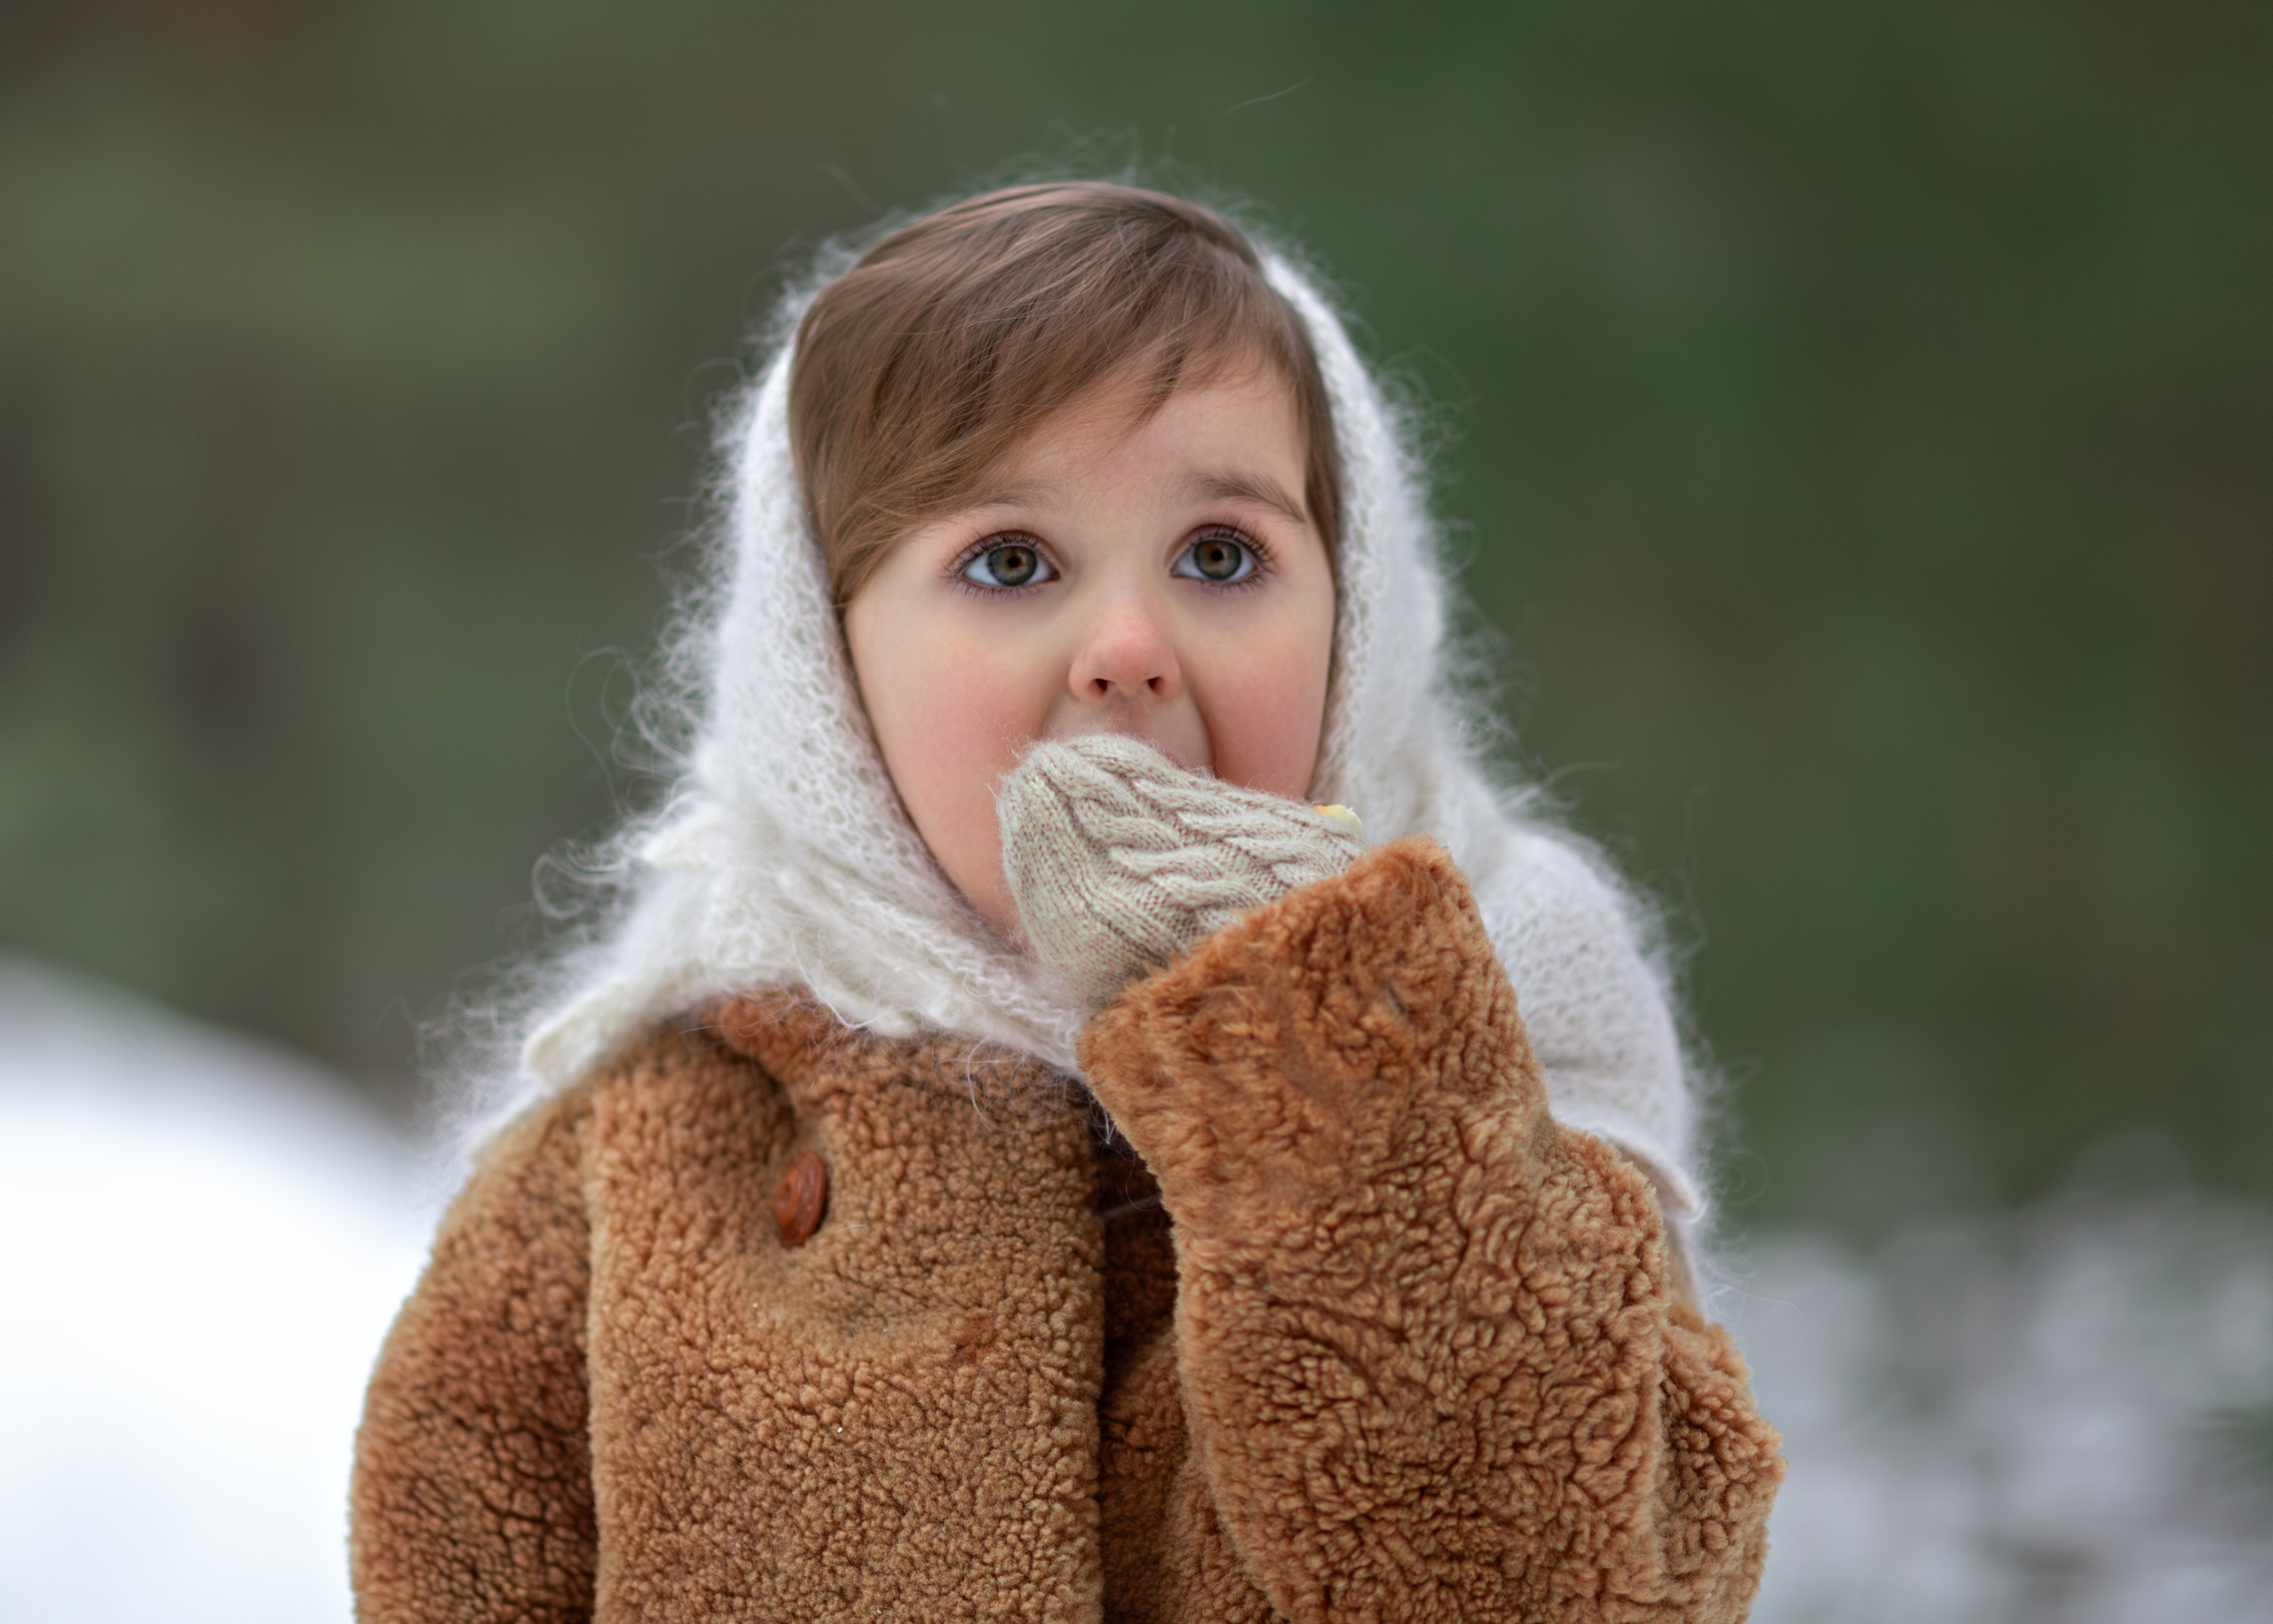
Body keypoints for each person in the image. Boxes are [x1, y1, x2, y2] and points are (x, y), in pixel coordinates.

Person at [350, 181, 1782, 1623]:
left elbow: (1565, 1582)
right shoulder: (640, 1153)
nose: (1126, 648)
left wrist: (1322, 1034)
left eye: (1221, 554)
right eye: (1010, 561)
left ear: (1355, 619)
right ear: (824, 675)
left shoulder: (1501, 1046)